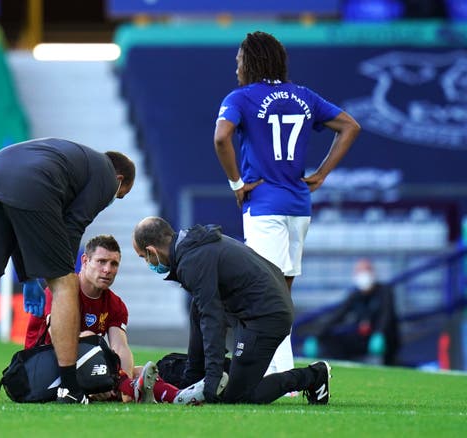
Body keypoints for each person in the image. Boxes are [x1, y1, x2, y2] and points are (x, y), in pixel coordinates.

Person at [213, 31, 361, 374]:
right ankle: (282, 369)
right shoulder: (303, 95)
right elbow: (350, 126)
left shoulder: (242, 97)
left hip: (264, 205)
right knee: (282, 292)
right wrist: (321, 174)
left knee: (263, 292)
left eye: (239, 60)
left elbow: (221, 137)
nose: (236, 67)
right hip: (299, 205)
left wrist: (236, 182)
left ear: (251, 61)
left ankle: (270, 372)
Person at [0, 137, 135, 404]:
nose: (111, 200)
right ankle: (68, 387)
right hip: (33, 185)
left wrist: (27, 276)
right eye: (119, 195)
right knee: (65, 283)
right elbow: (74, 225)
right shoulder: (106, 174)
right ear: (119, 178)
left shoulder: (75, 160)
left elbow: (17, 222)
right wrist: (58, 274)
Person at [132, 216, 332, 405]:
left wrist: (213, 377)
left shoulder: (192, 260)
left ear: (152, 251)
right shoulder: (193, 247)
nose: (148, 262)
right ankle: (195, 374)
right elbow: (205, 313)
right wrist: (194, 377)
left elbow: (213, 320)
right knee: (198, 306)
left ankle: (314, 375)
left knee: (238, 397)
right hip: (255, 309)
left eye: (144, 257)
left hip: (266, 317)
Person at [24, 234, 204, 404]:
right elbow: (57, 339)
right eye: (101, 262)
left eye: (114, 264)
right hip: (40, 371)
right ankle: (128, 387)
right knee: (88, 338)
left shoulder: (115, 304)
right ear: (85, 261)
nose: (107, 270)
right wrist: (102, 373)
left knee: (138, 372)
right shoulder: (61, 292)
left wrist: (117, 377)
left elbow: (120, 347)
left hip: (83, 368)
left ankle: (176, 397)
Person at [303, 258, 401, 365]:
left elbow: (386, 316)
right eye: (359, 272)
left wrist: (379, 333)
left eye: (366, 271)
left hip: (384, 339)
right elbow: (338, 315)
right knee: (332, 340)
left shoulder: (385, 291)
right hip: (363, 338)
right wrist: (316, 335)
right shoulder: (355, 295)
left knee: (386, 340)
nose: (363, 275)